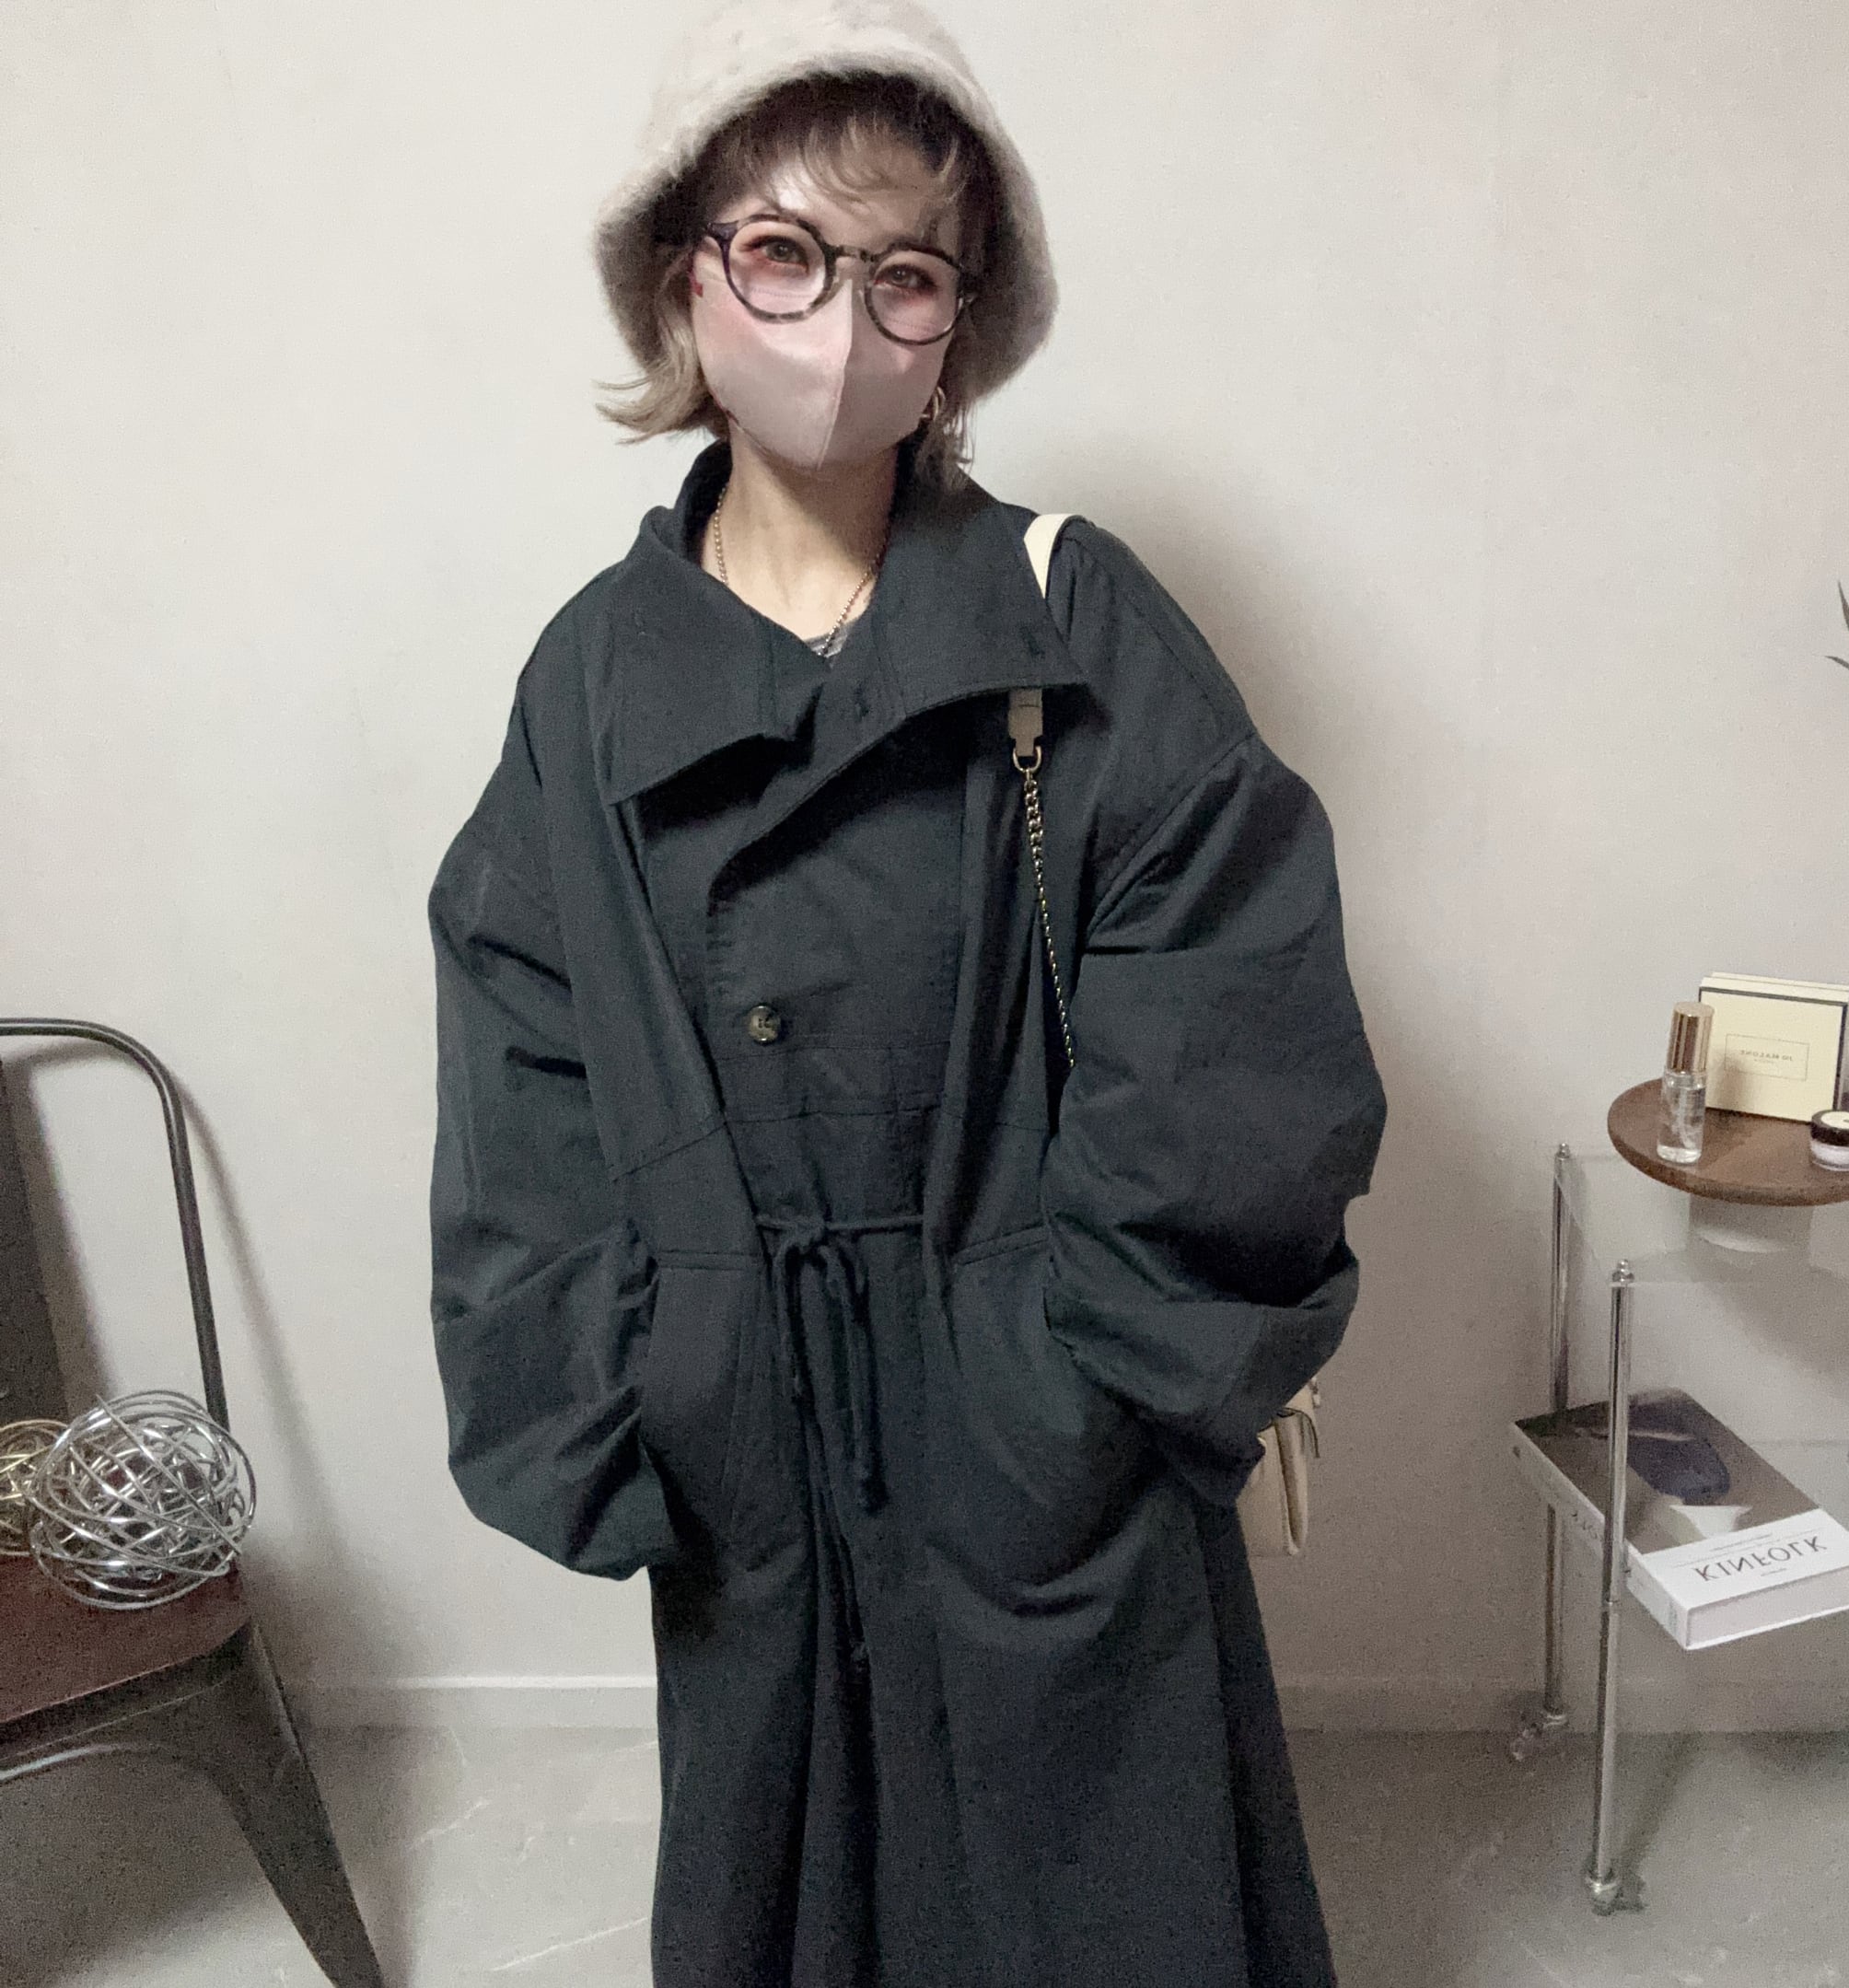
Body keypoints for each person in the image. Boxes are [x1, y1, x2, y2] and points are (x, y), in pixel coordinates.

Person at [424, 3, 1388, 1982]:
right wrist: (637, 1385)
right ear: (681, 282)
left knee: (1096, 1881)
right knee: (798, 1884)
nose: (840, 324)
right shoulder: (590, 678)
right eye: (783, 255)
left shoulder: (1068, 611)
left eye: (905, 276)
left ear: (961, 320)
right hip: (749, 1429)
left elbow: (1232, 1001)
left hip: (1037, 1394)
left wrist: (1080, 1371)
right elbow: (525, 1061)